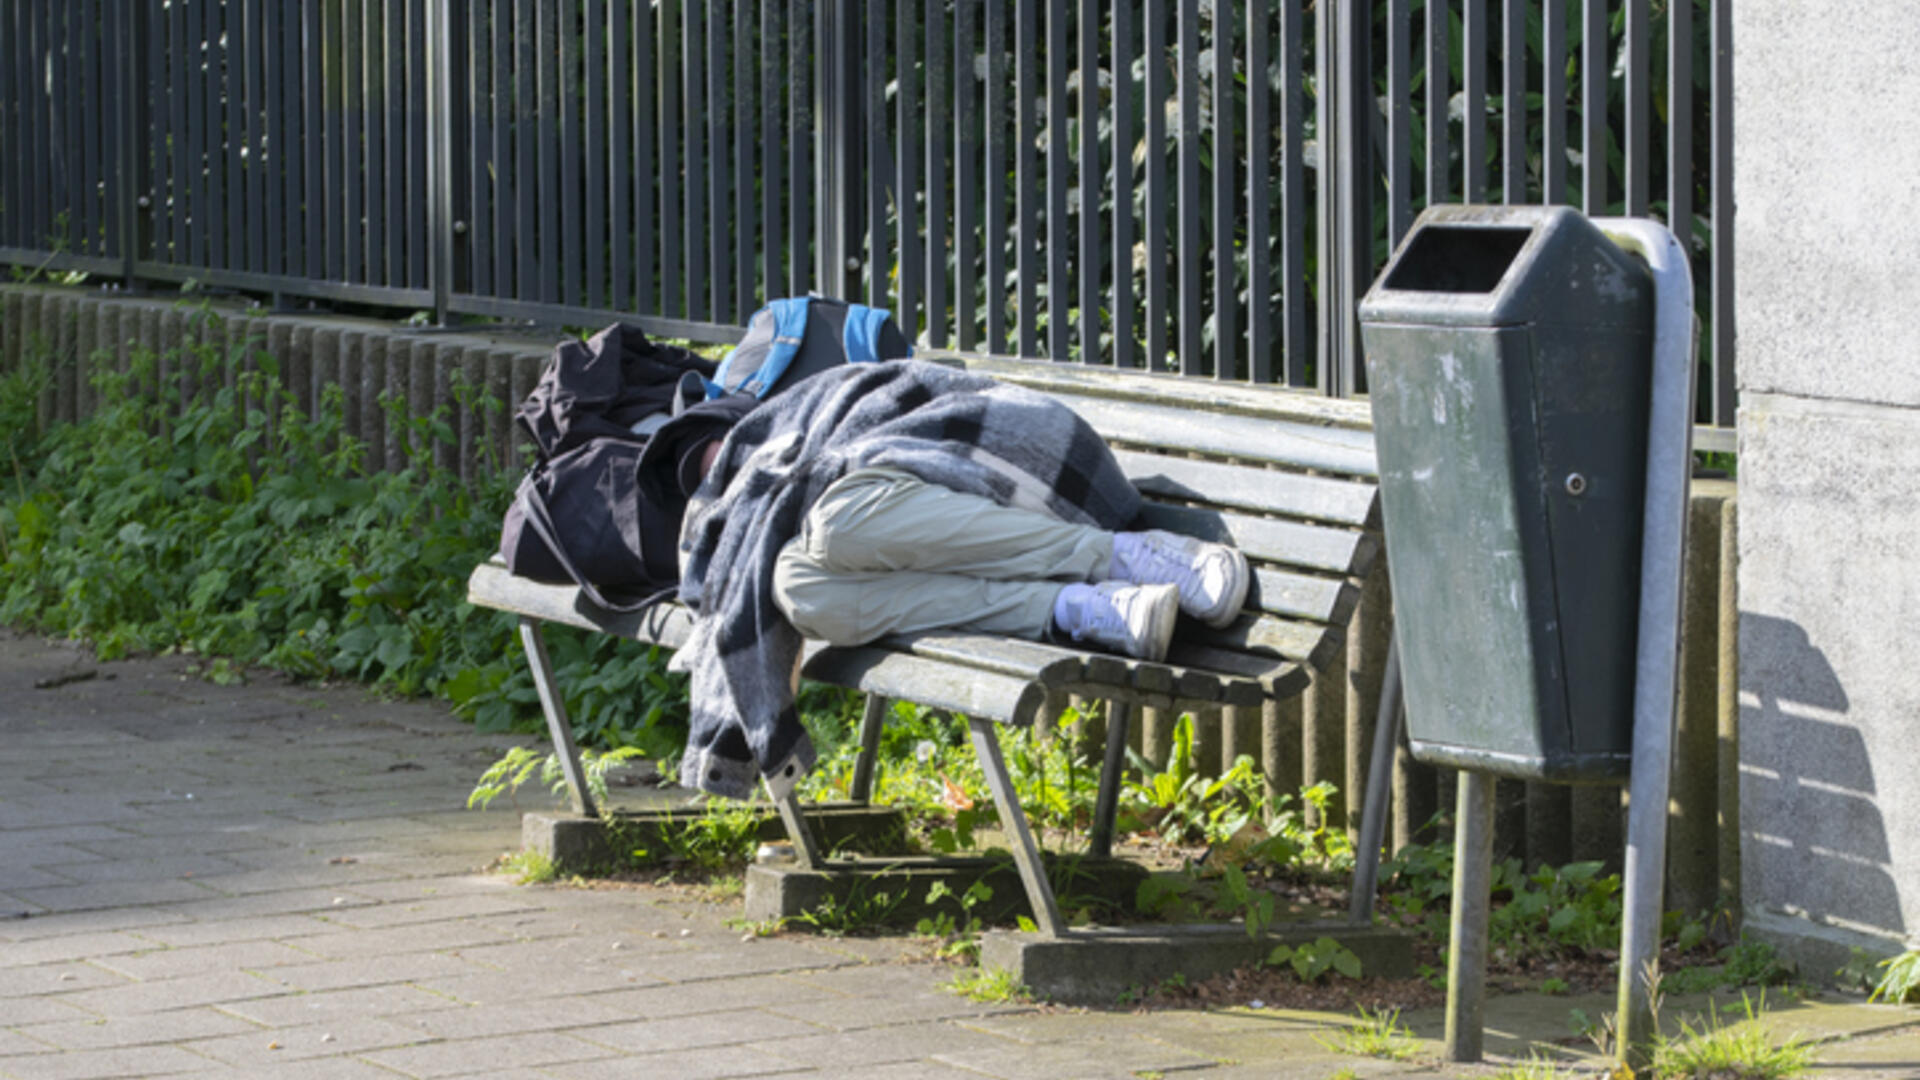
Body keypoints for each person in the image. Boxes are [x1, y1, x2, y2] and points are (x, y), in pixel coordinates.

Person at [667, 358, 1248, 801]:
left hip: (1008, 459)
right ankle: (1077, 608)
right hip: (936, 527)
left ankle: (1123, 557)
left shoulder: (825, 408)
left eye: (711, 450)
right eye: (709, 472)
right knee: (798, 588)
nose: (727, 467)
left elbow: (917, 410)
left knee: (836, 523)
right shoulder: (771, 508)